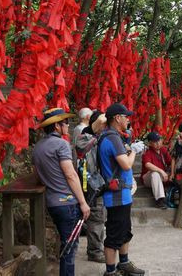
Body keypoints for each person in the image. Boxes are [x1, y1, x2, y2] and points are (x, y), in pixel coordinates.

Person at [33, 108, 90, 276]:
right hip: (68, 203)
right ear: (57, 126)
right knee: (69, 250)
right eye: (65, 123)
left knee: (66, 246)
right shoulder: (61, 144)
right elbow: (71, 174)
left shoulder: (38, 147)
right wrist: (83, 202)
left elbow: (38, 176)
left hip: (52, 203)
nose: (67, 125)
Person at [99, 103, 145, 276]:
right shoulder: (112, 138)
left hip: (122, 194)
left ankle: (124, 264)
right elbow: (125, 164)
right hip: (116, 195)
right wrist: (133, 151)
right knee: (114, 235)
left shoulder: (112, 137)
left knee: (125, 231)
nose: (128, 119)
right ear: (117, 118)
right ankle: (110, 272)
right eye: (126, 116)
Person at [75, 110, 108, 263]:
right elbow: (81, 148)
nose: (106, 126)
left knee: (99, 218)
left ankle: (97, 248)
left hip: (99, 185)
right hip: (89, 185)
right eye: (103, 123)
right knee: (95, 218)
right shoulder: (85, 137)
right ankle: (94, 251)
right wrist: (97, 134)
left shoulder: (102, 137)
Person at [141, 131, 173, 210]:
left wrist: (172, 173)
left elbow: (171, 161)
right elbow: (147, 164)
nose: (158, 143)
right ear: (150, 143)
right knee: (155, 173)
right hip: (148, 179)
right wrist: (161, 171)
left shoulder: (163, 150)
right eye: (155, 142)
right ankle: (160, 200)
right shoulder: (147, 152)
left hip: (162, 177)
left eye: (159, 140)